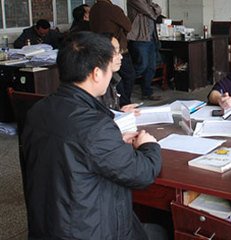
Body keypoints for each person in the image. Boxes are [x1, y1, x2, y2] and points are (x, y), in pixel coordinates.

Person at [22, 31, 162, 239]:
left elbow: (74, 148)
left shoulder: (37, 111)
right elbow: (142, 173)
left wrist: (111, 141)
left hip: (49, 226)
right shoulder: (94, 126)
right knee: (160, 231)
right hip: (88, 230)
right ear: (97, 73)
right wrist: (148, 146)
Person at [91, 0, 137, 107]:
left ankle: (117, 101)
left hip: (100, 46)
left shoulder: (93, 9)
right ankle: (124, 101)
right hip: (117, 47)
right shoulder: (111, 9)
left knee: (111, 76)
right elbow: (128, 26)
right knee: (128, 75)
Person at [127, 0, 164, 101]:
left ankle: (147, 92)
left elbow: (159, 10)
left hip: (151, 38)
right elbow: (150, 13)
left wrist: (152, 7)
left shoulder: (147, 1)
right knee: (141, 65)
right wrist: (153, 9)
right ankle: (122, 87)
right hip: (140, 38)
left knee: (151, 67)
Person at [99, 32, 140, 114]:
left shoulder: (114, 80)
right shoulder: (97, 86)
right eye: (116, 52)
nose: (121, 57)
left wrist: (121, 112)